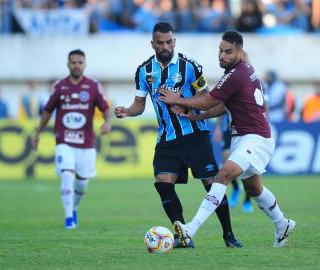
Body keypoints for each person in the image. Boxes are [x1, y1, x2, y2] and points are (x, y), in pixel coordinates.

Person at [159, 30, 296, 248]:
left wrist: (179, 99)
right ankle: (283, 224)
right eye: (220, 51)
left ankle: (190, 229)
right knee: (254, 189)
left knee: (222, 174)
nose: (222, 56)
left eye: (228, 52)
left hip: (255, 138)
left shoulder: (235, 75)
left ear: (240, 53)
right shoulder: (243, 70)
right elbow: (223, 106)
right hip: (244, 138)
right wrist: (198, 117)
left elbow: (208, 100)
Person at [114, 22, 242, 248]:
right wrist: (127, 111)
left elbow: (207, 98)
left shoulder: (190, 67)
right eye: (161, 42)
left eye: (169, 42)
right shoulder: (144, 71)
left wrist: (185, 104)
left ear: (175, 41)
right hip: (167, 138)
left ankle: (228, 235)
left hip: (195, 135)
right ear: (152, 44)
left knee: (212, 184)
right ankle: (184, 234)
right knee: (163, 181)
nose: (166, 46)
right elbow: (139, 105)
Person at [32, 49, 111, 229]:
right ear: (68, 64)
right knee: (67, 174)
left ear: (85, 64)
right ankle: (69, 219)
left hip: (86, 142)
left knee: (82, 183)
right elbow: (47, 112)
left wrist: (107, 122)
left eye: (79, 62)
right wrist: (37, 133)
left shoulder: (93, 86)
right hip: (64, 140)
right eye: (73, 62)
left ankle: (74, 208)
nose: (76, 65)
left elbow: (105, 108)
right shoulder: (59, 86)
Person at [214, 113, 252, 212]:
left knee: (248, 167)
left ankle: (247, 200)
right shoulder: (228, 97)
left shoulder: (259, 97)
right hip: (230, 131)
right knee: (226, 161)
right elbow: (221, 108)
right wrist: (218, 128)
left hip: (248, 133)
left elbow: (264, 110)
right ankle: (236, 188)